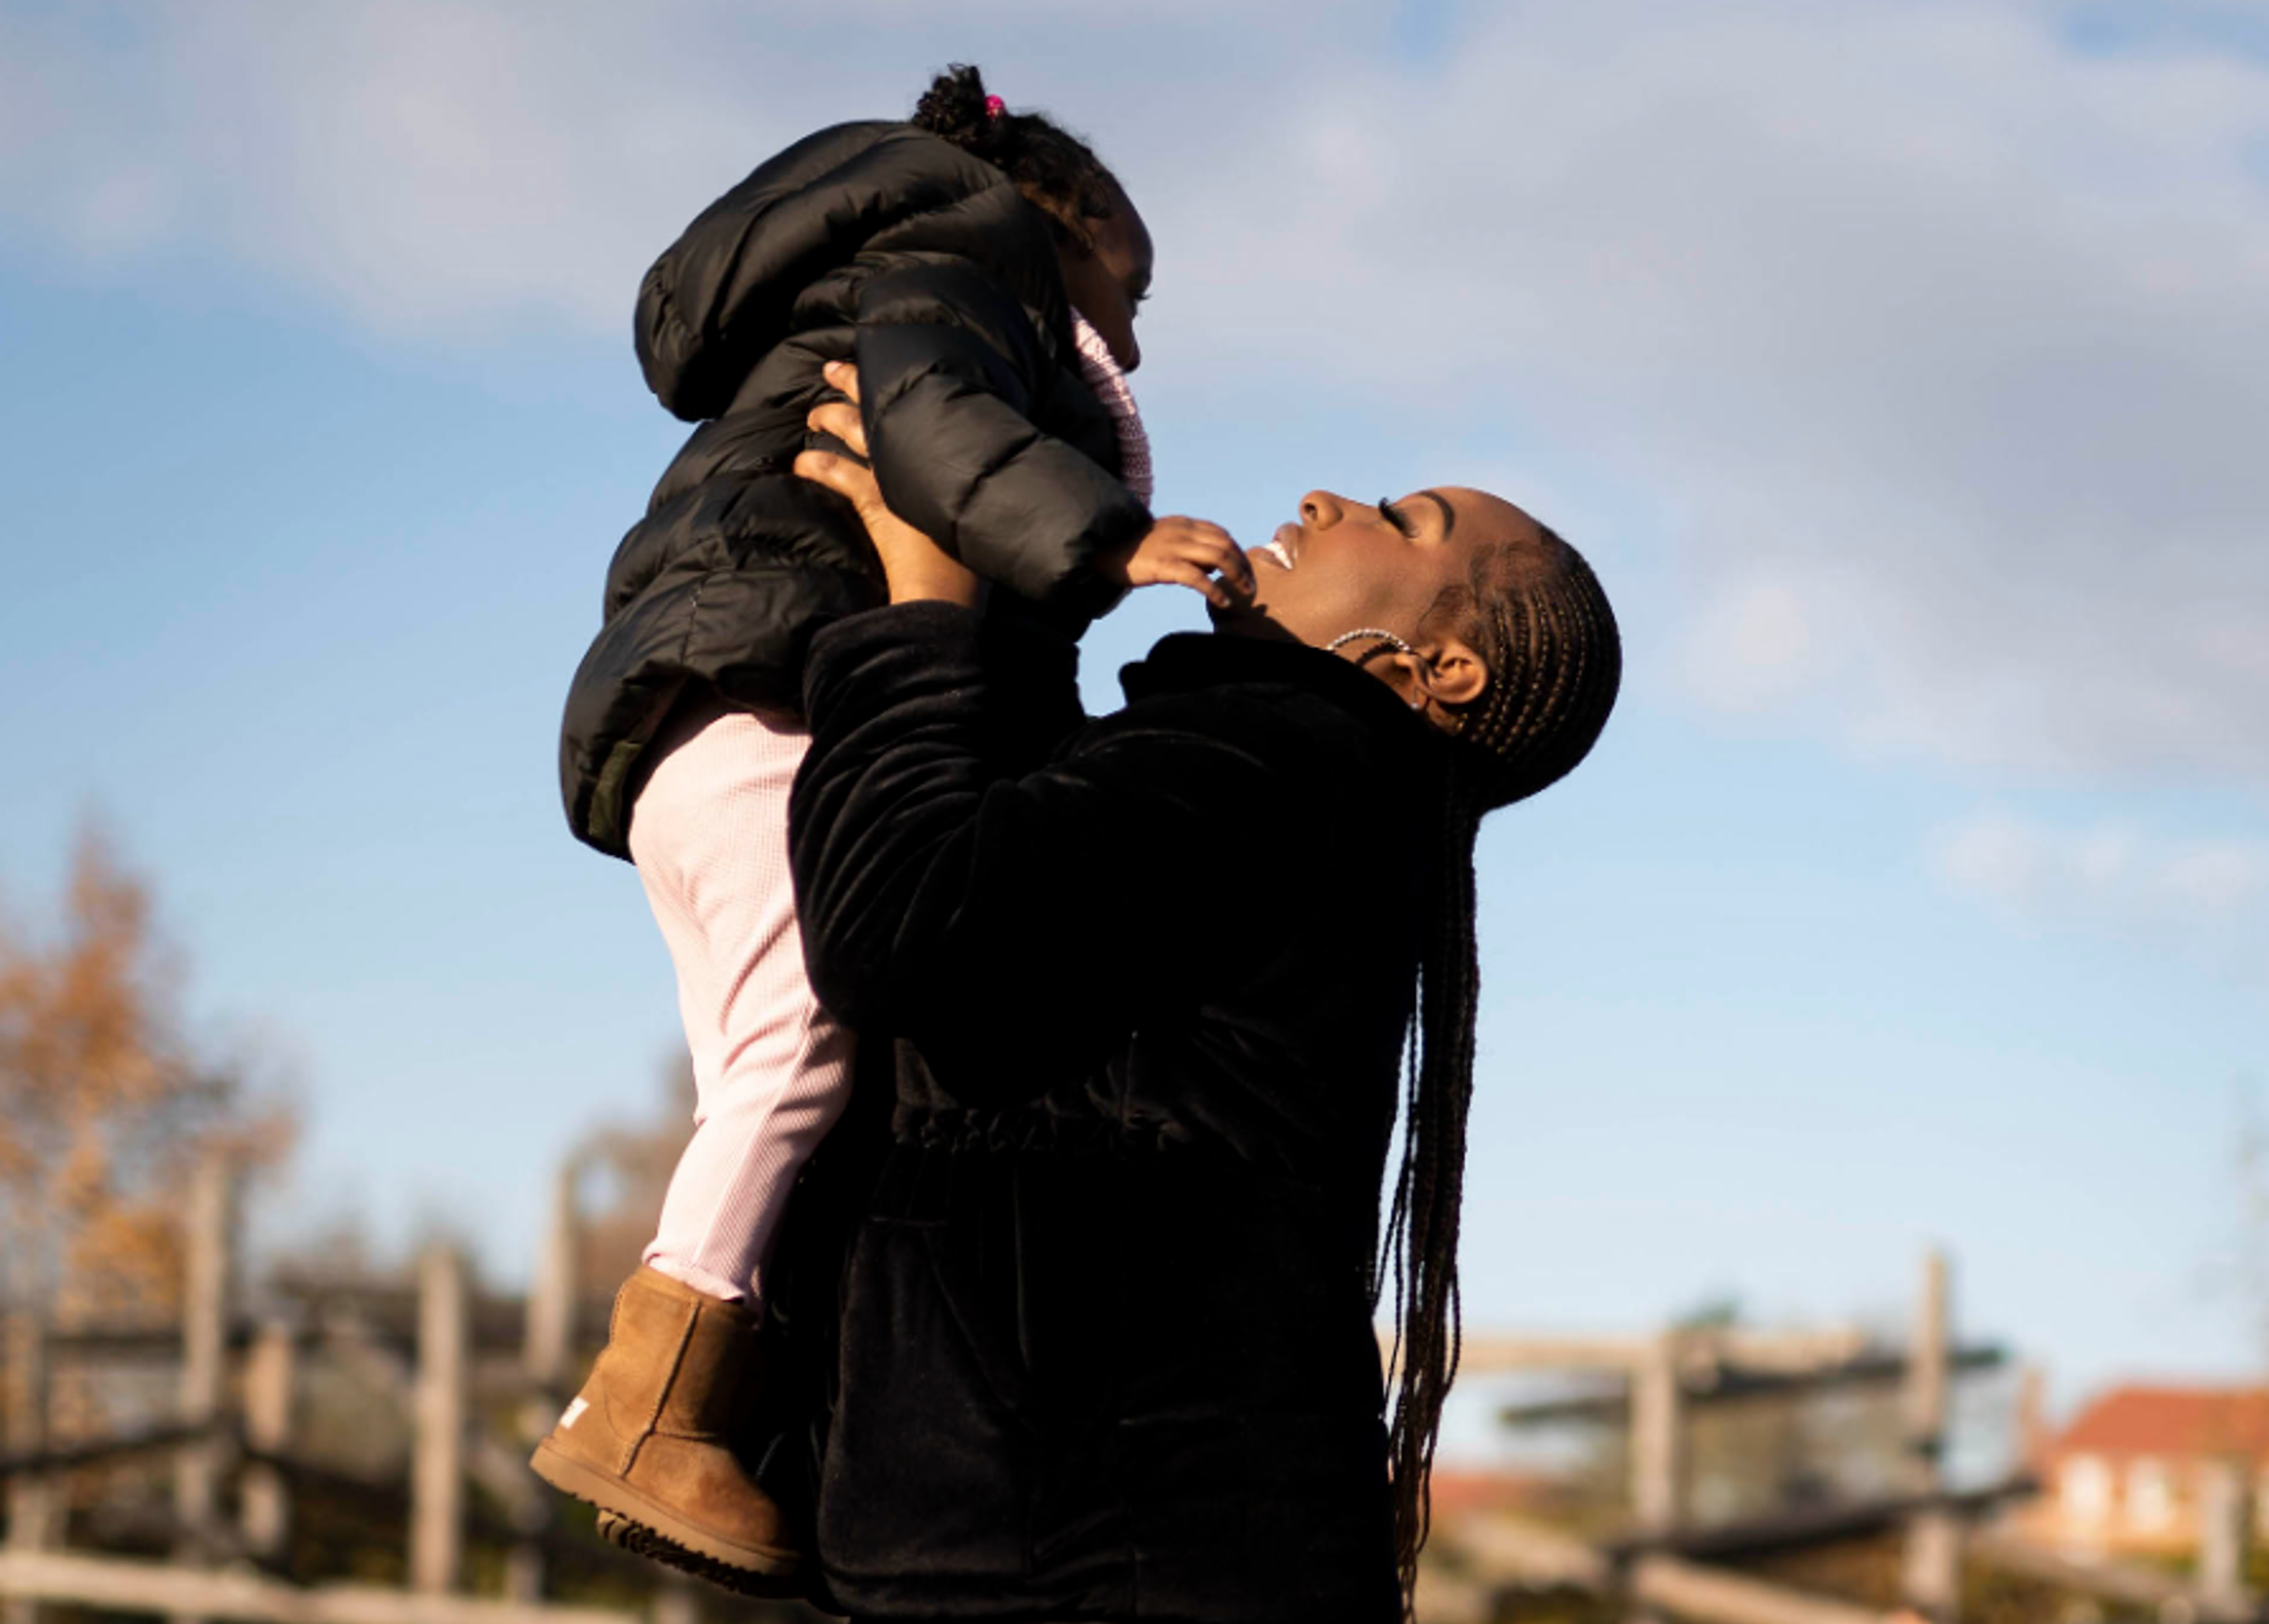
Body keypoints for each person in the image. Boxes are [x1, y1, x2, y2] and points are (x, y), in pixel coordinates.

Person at [537, 65, 1251, 1590]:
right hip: (775, 693)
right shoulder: (960, 252)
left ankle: (743, 1413)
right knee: (797, 1045)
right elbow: (929, 427)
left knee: (788, 1079)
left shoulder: (911, 266)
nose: (1137, 331)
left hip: (719, 699)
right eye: (1138, 285)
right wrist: (1109, 539)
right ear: (1084, 215)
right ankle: (648, 1405)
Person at [778, 363, 1623, 1623]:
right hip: (1102, 1549)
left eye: (1402, 521)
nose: (1331, 499)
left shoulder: (1289, 754)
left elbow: (907, 933)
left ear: (1439, 669)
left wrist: (920, 616)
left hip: (1092, 1562)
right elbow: (1008, 866)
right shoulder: (1291, 779)